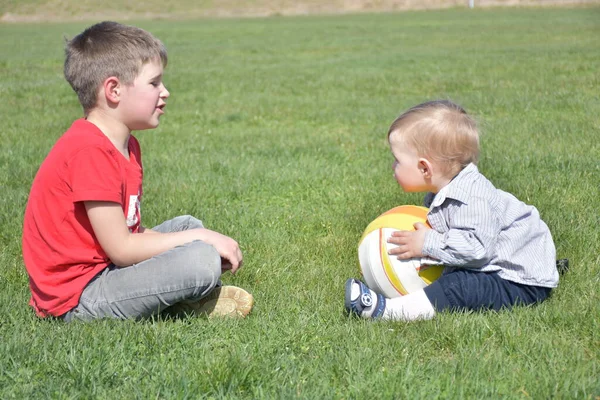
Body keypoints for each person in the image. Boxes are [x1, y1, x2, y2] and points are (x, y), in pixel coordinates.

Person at [22, 21, 253, 322]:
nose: (165, 92)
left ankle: (181, 296)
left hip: (105, 267)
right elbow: (121, 248)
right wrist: (202, 239)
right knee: (199, 258)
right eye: (154, 83)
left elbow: (130, 231)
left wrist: (195, 235)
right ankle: (185, 296)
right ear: (114, 90)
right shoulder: (89, 151)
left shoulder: (126, 145)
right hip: (79, 297)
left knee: (187, 225)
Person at [345, 100, 558, 321]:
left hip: (517, 281)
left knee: (458, 287)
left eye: (397, 161)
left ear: (424, 168)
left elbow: (476, 249)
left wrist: (427, 243)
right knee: (456, 274)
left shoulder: (471, 199)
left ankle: (386, 312)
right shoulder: (443, 190)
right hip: (499, 264)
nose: (392, 167)